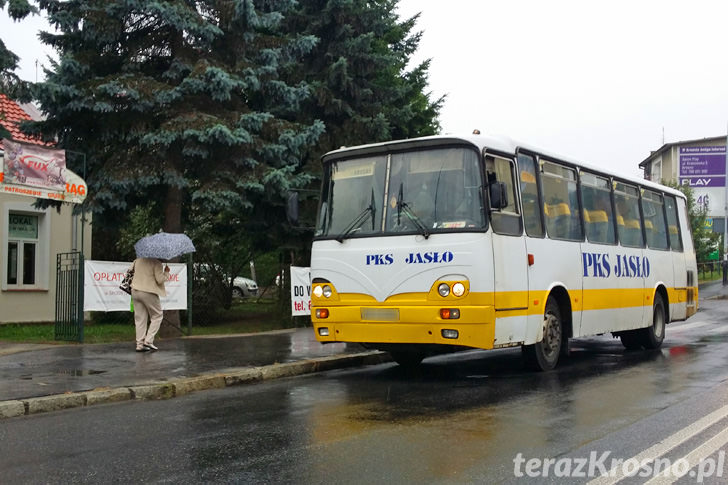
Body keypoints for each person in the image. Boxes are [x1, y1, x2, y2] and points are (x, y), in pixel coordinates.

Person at [130, 257, 170, 352]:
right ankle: (148, 341)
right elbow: (160, 280)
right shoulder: (157, 263)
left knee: (140, 319)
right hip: (148, 291)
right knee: (157, 315)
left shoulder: (138, 260)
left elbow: (130, 271)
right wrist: (166, 272)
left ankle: (139, 345)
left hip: (135, 290)